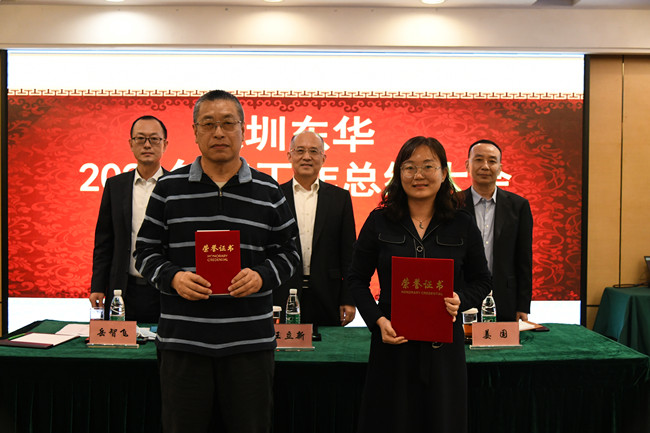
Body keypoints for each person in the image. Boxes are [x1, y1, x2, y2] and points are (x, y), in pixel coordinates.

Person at [134, 90, 300, 433]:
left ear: (243, 130)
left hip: (249, 344)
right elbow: (145, 252)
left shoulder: (269, 191)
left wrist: (262, 276)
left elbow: (291, 253)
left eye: (228, 123)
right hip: (184, 343)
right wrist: (174, 278)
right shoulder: (168, 188)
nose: (219, 132)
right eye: (208, 124)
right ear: (195, 132)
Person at [348, 136, 491, 433]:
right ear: (398, 174)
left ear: (443, 173)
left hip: (444, 350)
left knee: (443, 421)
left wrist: (461, 299)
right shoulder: (379, 221)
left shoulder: (462, 223)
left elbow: (482, 280)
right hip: (393, 346)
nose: (419, 175)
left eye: (428, 166)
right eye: (409, 167)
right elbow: (356, 279)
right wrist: (377, 320)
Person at [89, 115, 169, 323]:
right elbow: (104, 241)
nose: (147, 145)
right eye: (140, 139)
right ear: (131, 144)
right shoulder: (115, 186)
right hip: (123, 290)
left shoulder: (176, 187)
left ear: (165, 144)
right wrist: (98, 286)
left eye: (154, 139)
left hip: (164, 289)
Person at [273, 130, 356, 327]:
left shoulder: (340, 198)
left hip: (328, 294)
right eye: (300, 150)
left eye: (313, 151)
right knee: (285, 346)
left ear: (323, 158)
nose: (307, 157)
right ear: (289, 156)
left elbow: (349, 254)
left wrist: (349, 298)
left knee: (327, 346)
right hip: (283, 293)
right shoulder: (274, 196)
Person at [464, 139, 533, 322]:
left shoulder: (518, 206)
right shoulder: (452, 204)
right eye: (479, 159)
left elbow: (524, 258)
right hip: (463, 296)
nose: (485, 166)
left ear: (500, 168)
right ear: (467, 165)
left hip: (505, 298)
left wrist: (522, 305)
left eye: (492, 161)